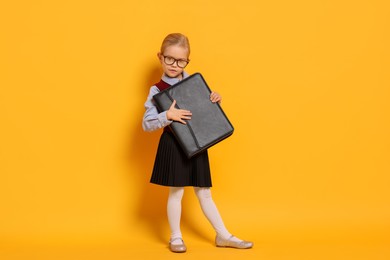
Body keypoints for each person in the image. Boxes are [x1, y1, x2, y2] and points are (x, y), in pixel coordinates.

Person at [142, 33, 253, 253]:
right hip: (175, 143)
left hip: (197, 143)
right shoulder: (157, 89)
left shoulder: (195, 83)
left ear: (188, 60)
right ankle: (176, 238)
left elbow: (203, 115)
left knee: (204, 192)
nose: (175, 65)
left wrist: (214, 100)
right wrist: (167, 116)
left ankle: (224, 235)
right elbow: (146, 124)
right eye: (170, 59)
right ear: (160, 57)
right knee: (176, 192)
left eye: (181, 60)